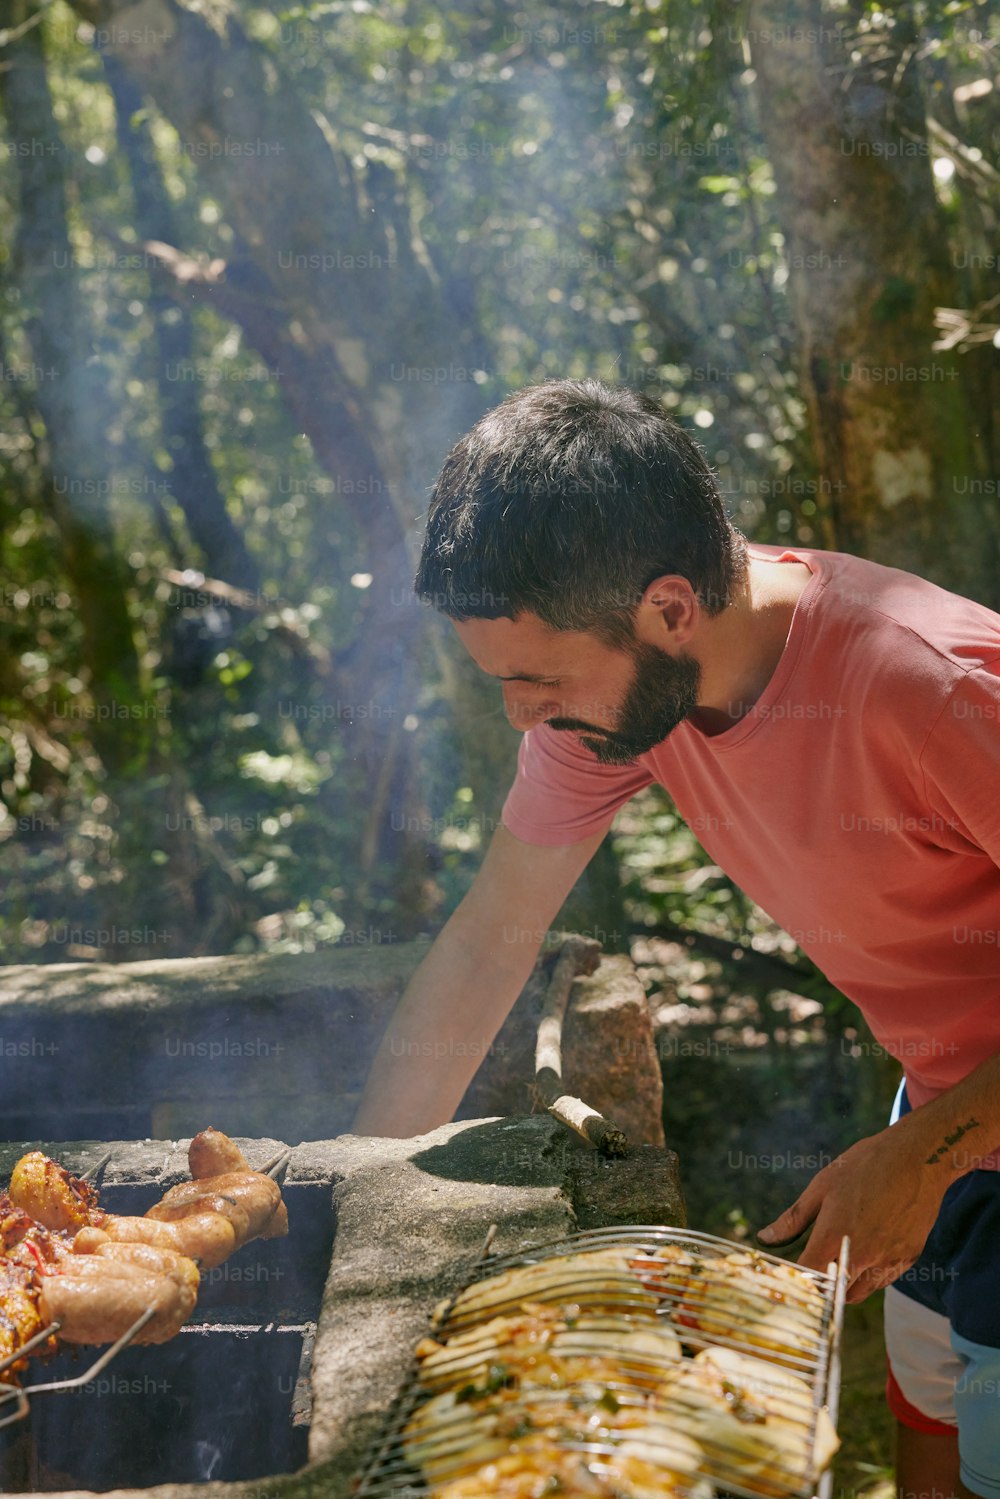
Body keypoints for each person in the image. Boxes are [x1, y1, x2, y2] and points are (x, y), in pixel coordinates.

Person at [353, 378, 1000, 1498]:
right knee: (927, 1449)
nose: (520, 713)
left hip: (945, 1137)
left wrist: (922, 1155)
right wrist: (351, 1194)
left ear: (667, 608)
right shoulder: (612, 707)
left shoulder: (923, 679)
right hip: (945, 1118)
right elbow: (484, 944)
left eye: (536, 677)